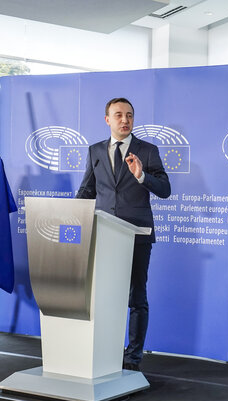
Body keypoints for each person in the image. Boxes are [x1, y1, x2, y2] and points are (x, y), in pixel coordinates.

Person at [76, 98, 171, 371]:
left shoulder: (148, 150)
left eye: (129, 115)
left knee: (136, 297)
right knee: (105, 296)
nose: (124, 120)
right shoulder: (95, 150)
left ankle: (132, 358)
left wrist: (142, 176)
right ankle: (106, 352)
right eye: (118, 115)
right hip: (103, 234)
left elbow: (165, 190)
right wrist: (72, 214)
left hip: (137, 235)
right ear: (107, 119)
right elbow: (87, 190)